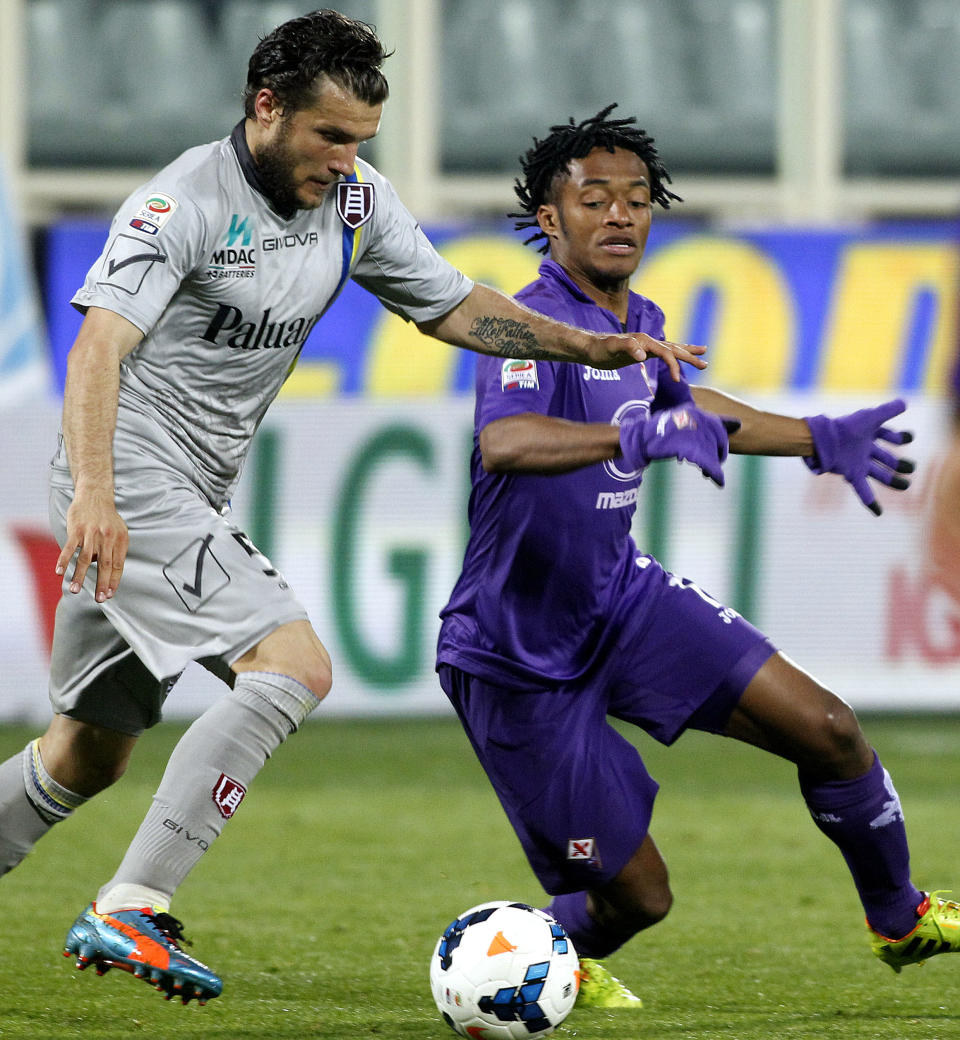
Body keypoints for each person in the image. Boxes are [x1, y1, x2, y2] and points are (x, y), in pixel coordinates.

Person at [0, 19, 705, 1006]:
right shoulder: (181, 204)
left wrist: (588, 347)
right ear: (266, 109)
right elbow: (98, 348)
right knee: (292, 665)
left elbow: (454, 304)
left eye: (361, 138)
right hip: (127, 474)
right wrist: (96, 494)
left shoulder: (356, 203)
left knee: (86, 750)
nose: (346, 160)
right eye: (330, 137)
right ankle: (134, 901)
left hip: (185, 488)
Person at [435, 104, 956, 1012]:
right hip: (515, 655)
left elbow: (688, 400)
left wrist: (813, 437)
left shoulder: (640, 318)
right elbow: (507, 442)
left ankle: (899, 916)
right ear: (550, 219)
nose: (621, 214)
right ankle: (548, 956)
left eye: (637, 198)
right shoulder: (523, 325)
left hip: (622, 603)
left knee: (829, 730)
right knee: (641, 897)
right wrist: (635, 434)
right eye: (594, 198)